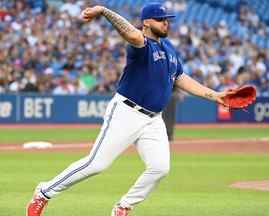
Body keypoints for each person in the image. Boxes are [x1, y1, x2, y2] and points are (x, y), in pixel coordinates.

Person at [26, 3, 232, 216]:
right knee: (96, 164)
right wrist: (104, 11)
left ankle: (123, 207)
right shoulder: (141, 46)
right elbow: (131, 34)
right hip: (126, 112)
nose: (166, 22)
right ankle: (44, 192)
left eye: (167, 19)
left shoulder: (168, 48)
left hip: (153, 119)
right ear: (146, 22)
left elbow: (181, 78)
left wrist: (214, 95)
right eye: (161, 19)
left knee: (160, 168)